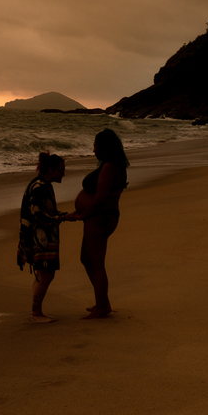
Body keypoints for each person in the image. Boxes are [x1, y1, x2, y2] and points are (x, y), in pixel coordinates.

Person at [67, 128, 128, 319]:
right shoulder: (113, 165)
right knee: (86, 259)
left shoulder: (109, 166)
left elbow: (100, 198)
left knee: (96, 262)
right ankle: (102, 301)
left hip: (100, 217)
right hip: (101, 216)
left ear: (104, 147)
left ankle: (103, 305)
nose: (93, 150)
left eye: (95, 146)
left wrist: (82, 214)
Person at [17, 152, 70, 323]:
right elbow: (38, 215)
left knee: (43, 275)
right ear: (50, 169)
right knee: (45, 275)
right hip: (39, 237)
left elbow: (47, 212)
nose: (63, 173)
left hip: (43, 236)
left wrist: (65, 215)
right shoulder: (39, 187)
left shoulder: (44, 185)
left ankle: (37, 312)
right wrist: (62, 218)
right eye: (61, 170)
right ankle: (36, 314)